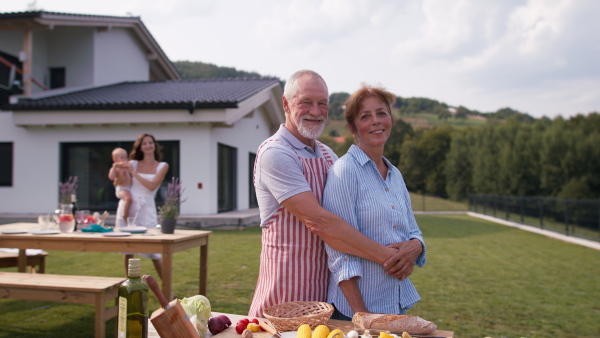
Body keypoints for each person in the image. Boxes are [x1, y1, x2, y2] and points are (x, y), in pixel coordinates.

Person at [248, 70, 423, 317]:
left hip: (326, 298)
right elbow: (319, 222)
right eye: (306, 102)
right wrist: (390, 258)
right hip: (286, 294)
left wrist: (414, 246)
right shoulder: (276, 153)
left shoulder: (329, 155)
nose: (316, 111)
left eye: (322, 104)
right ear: (286, 104)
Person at [322, 83, 426, 320]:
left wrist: (416, 246)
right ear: (353, 127)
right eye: (365, 116)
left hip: (395, 302)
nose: (376, 121)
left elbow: (413, 231)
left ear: (391, 119)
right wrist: (363, 317)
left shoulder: (395, 174)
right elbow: (339, 253)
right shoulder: (344, 171)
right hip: (356, 311)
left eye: (382, 113)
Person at [116, 133, 169, 278]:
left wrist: (134, 173)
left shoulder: (162, 166)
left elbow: (152, 186)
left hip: (147, 207)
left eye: (150, 142)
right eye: (144, 143)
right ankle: (130, 286)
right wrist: (121, 186)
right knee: (127, 248)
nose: (148, 146)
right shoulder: (132, 163)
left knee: (153, 250)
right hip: (130, 204)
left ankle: (167, 289)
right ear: (140, 147)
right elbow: (118, 178)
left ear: (154, 145)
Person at [108, 148, 133, 221]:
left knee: (130, 199)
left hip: (129, 188)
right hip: (122, 188)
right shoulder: (116, 168)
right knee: (128, 199)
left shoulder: (127, 167)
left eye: (126, 157)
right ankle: (125, 215)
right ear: (115, 160)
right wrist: (114, 167)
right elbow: (111, 177)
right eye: (122, 157)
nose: (124, 159)